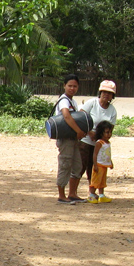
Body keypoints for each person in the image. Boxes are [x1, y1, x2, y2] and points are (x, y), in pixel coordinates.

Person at [79, 80, 118, 202]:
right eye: (104, 92)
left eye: (109, 93)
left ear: (112, 96)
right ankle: (72, 192)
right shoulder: (92, 103)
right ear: (100, 92)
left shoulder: (112, 110)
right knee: (81, 166)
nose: (106, 95)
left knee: (95, 168)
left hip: (99, 143)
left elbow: (110, 128)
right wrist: (89, 131)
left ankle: (94, 192)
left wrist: (101, 138)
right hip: (86, 140)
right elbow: (81, 117)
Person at [54, 74, 86, 204]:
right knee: (65, 165)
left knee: (77, 166)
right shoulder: (64, 100)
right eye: (70, 86)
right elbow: (66, 116)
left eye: (74, 86)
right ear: (64, 86)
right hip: (66, 138)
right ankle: (62, 195)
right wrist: (79, 131)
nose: (72, 88)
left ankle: (72, 193)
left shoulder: (72, 101)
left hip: (72, 139)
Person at [87, 120, 114, 204]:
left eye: (110, 132)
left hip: (104, 165)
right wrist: (95, 164)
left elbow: (107, 154)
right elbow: (95, 154)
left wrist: (110, 162)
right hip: (98, 165)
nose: (109, 134)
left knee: (102, 181)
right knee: (95, 181)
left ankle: (101, 195)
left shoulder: (108, 143)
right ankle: (91, 194)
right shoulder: (99, 143)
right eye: (107, 132)